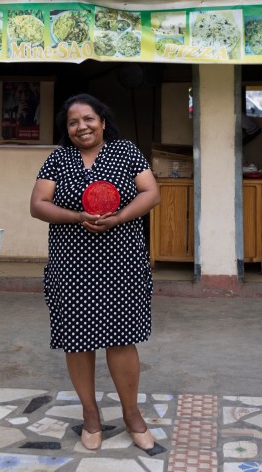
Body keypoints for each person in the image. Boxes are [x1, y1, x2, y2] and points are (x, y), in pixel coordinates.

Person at [29, 93, 161, 452]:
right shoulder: (58, 159)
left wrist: (118, 217)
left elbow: (151, 192)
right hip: (72, 264)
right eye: (73, 122)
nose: (81, 127)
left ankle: (132, 414)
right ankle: (90, 414)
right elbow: (37, 205)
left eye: (88, 119)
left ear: (102, 121)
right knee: (77, 340)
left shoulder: (126, 152)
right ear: (67, 130)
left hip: (122, 263)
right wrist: (78, 217)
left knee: (121, 339)